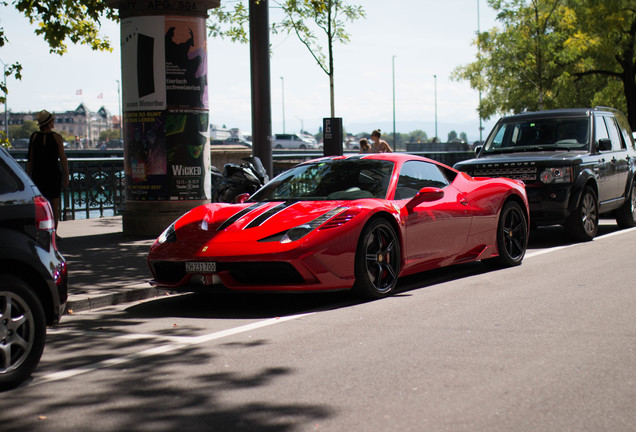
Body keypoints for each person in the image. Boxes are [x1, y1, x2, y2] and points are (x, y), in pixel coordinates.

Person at [26, 110, 69, 235]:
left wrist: (27, 176)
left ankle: (41, 231)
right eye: (53, 120)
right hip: (53, 174)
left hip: (38, 175)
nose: (54, 122)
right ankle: (54, 233)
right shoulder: (57, 137)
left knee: (39, 206)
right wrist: (66, 174)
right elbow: (63, 158)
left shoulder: (34, 137)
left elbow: (30, 159)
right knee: (55, 205)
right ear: (49, 123)